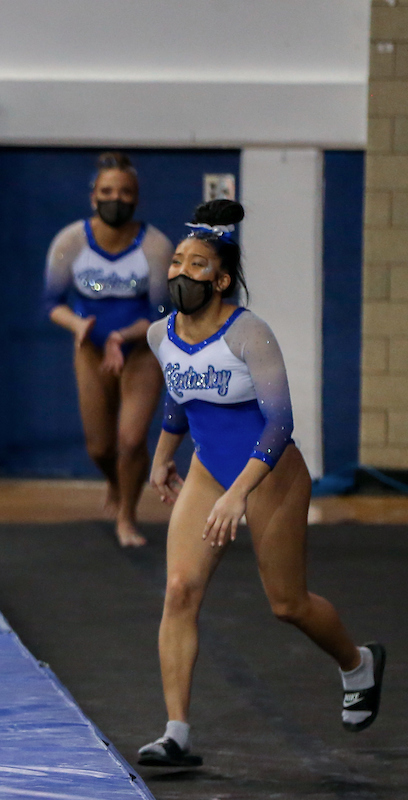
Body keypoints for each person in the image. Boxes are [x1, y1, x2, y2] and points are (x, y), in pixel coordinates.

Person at [138, 199, 385, 767]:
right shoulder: (160, 335)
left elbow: (279, 424)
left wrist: (238, 492)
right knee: (179, 590)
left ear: (221, 279)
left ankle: (357, 663)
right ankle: (176, 733)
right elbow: (180, 398)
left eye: (196, 265)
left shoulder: (249, 332)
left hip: (270, 476)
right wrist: (162, 457)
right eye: (176, 261)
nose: (180, 271)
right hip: (207, 472)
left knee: (287, 604)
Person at [44, 153, 173, 547]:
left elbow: (162, 314)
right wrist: (79, 325)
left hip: (141, 350)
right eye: (107, 191)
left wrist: (125, 336)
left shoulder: (155, 246)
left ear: (136, 198)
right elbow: (52, 303)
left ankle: (127, 517)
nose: (115, 198)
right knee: (100, 446)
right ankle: (116, 483)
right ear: (93, 196)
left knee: (131, 440)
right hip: (91, 347)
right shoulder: (70, 242)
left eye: (124, 192)